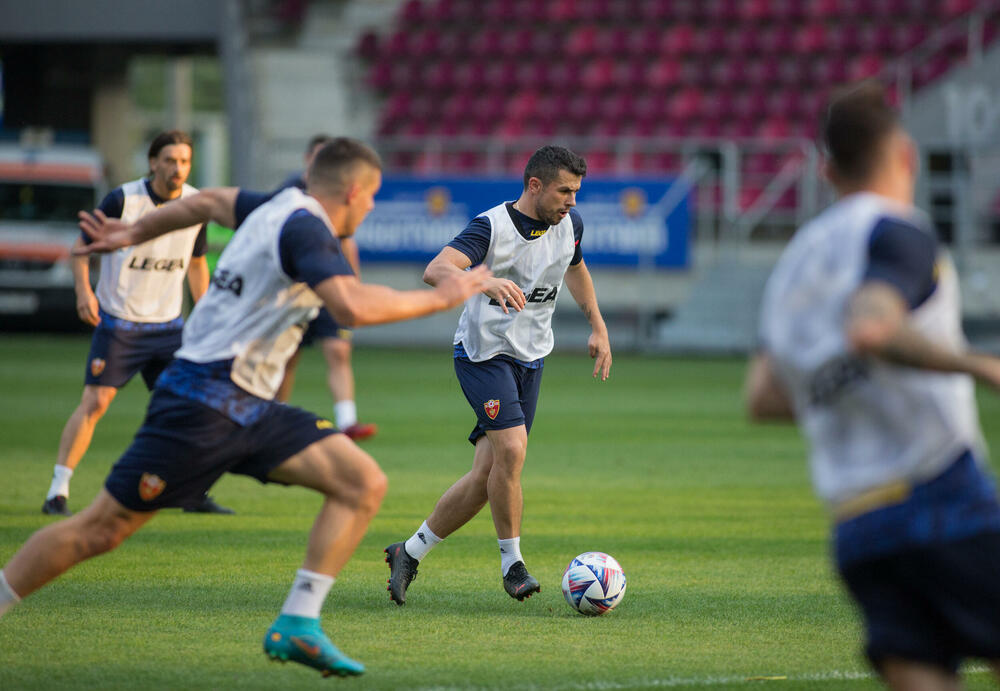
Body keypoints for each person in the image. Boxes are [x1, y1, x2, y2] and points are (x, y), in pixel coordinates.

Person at [0, 138, 490, 677]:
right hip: (200, 403)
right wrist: (442, 297)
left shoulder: (277, 204)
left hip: (248, 405)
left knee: (362, 483)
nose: (371, 207)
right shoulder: (306, 229)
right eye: (372, 196)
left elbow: (208, 202)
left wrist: (134, 232)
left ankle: (297, 624)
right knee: (99, 531)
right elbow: (350, 305)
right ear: (353, 192)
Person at [745, 82, 1000, 689]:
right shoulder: (898, 231)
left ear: (828, 171)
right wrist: (979, 365)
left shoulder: (793, 265)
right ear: (906, 155)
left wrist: (842, 386)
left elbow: (763, 396)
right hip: (939, 494)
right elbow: (872, 327)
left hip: (859, 528)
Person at [384, 145, 612, 605]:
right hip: (484, 354)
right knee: (512, 449)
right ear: (535, 185)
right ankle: (513, 566)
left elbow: (576, 268)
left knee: (486, 476)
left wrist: (598, 326)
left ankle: (408, 552)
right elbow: (436, 270)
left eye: (576, 192)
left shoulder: (570, 224)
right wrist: (484, 280)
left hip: (532, 356)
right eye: (564, 191)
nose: (572, 201)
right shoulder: (491, 227)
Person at [42, 130, 232, 517]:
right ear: (153, 162)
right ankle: (57, 492)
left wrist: (206, 311)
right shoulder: (123, 199)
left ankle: (193, 492)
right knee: (95, 403)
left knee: (190, 408)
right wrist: (84, 291)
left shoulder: (196, 204)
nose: (177, 168)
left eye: (184, 161)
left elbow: (196, 263)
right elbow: (81, 248)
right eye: (170, 160)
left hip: (168, 328)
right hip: (121, 324)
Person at [274, 134, 376, 441]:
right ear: (309, 160)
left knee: (338, 350)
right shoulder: (291, 194)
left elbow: (346, 241)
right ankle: (274, 416)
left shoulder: (341, 199)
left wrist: (354, 284)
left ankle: (347, 421)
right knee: (287, 355)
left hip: (331, 284)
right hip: (298, 290)